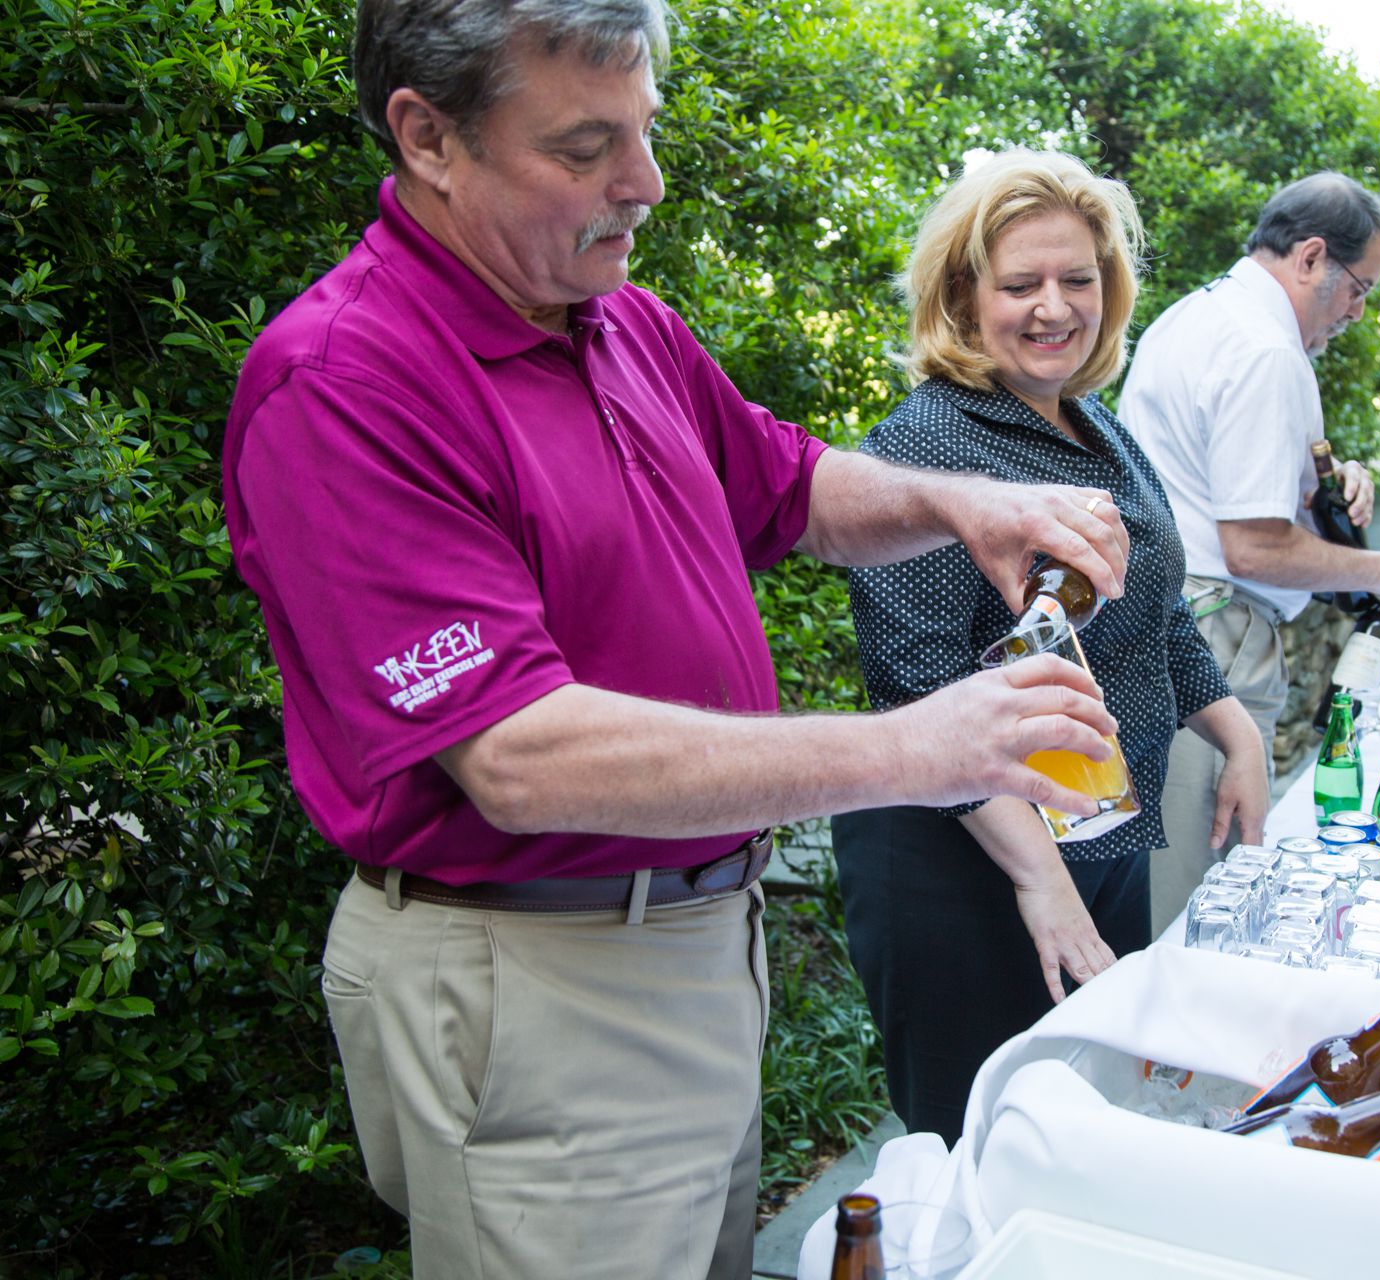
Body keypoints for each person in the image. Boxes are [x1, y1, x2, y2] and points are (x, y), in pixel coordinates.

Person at [222, 6, 1134, 1279]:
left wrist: (965, 501)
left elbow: (794, 487)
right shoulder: (343, 381)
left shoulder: (618, 322)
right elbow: (521, 757)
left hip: (696, 943)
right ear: (427, 137)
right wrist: (917, 748)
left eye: (643, 131)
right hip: (536, 973)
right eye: (586, 147)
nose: (644, 182)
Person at [830, 149, 1269, 1145]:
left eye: (1078, 279)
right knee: (983, 1143)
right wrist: (1041, 879)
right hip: (968, 863)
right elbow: (916, 688)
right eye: (1021, 283)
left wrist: (1236, 734)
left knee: (1086, 1129)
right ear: (963, 296)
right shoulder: (927, 444)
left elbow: (1153, 615)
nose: (1054, 307)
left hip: (1098, 831)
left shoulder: (1092, 424)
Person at [1120, 171, 1380, 933]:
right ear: (1312, 257)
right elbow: (1254, 548)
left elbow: (1216, 483)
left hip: (1169, 621)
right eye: (1359, 287)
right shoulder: (1265, 351)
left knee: (1176, 878)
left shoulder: (1197, 316)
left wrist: (1327, 484)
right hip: (1214, 637)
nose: (1357, 311)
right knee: (1199, 892)